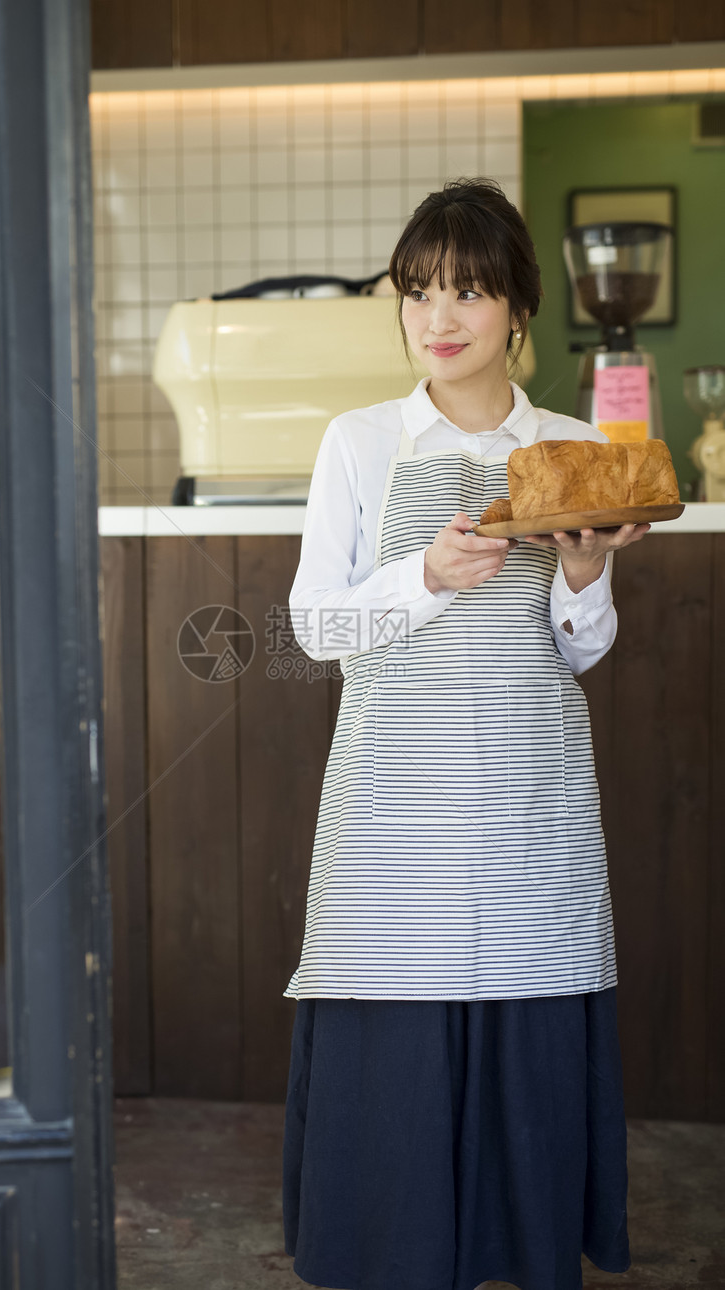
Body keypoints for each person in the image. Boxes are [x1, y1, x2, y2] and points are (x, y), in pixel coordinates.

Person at [282, 178, 648, 1290]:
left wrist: (583, 571)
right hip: (395, 807)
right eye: (417, 293)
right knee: (392, 1013)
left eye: (467, 293)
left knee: (525, 996)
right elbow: (315, 626)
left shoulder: (576, 445)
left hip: (527, 797)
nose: (437, 319)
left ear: (516, 310)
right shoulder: (359, 443)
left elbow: (577, 649)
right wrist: (423, 575)